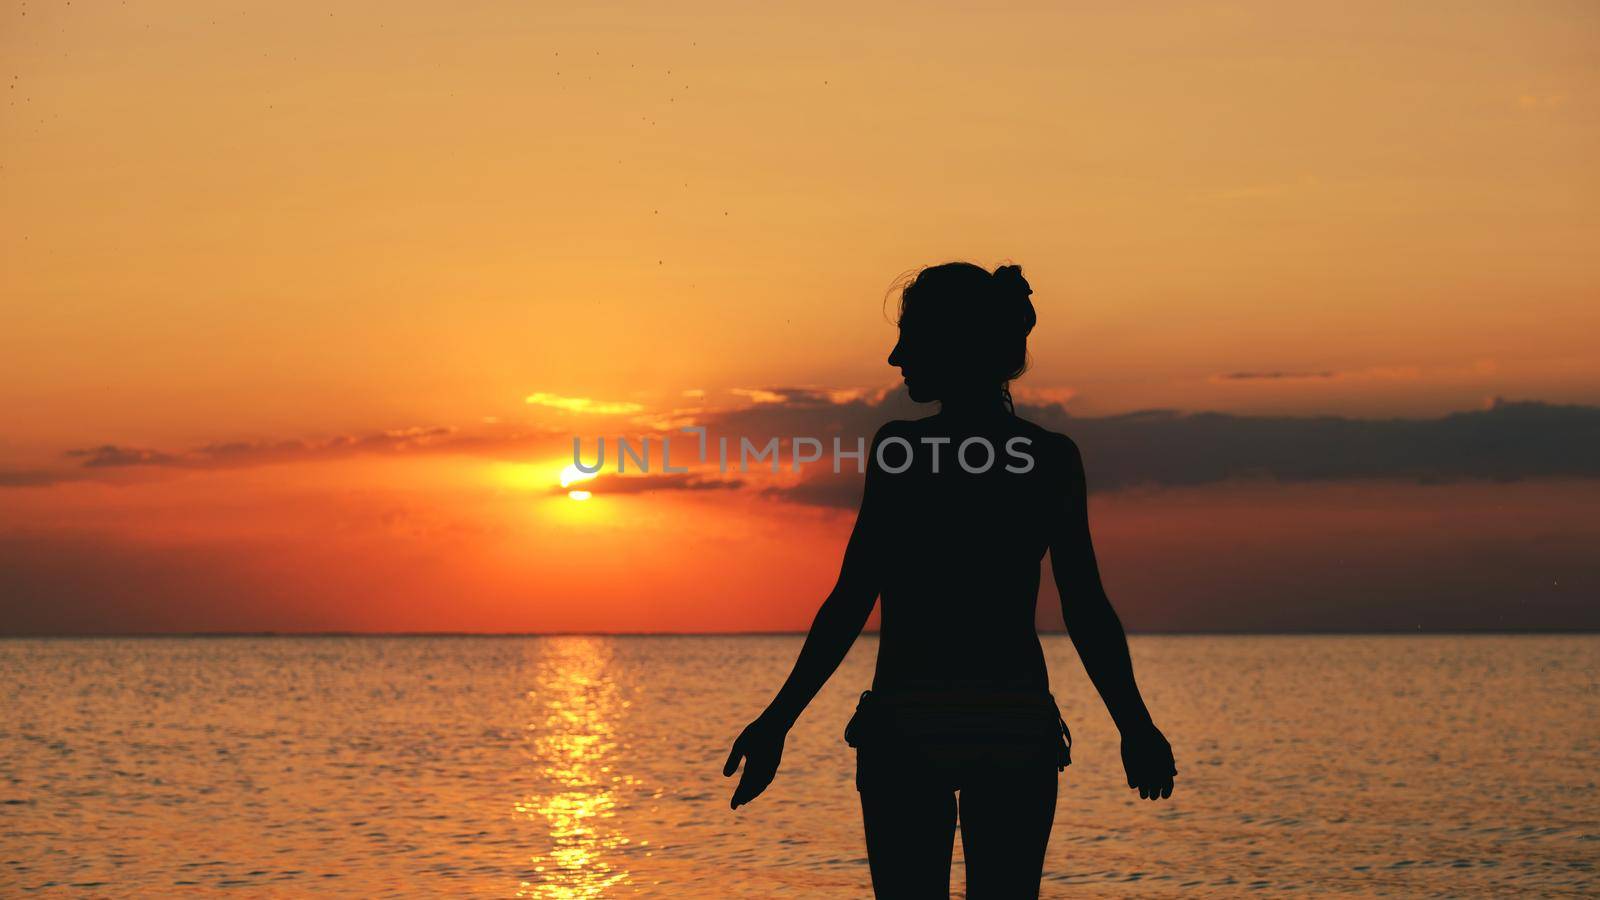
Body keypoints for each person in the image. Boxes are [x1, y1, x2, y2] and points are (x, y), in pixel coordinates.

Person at [722, 262, 1176, 898]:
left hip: (909, 724)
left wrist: (777, 721)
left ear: (952, 345)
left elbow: (853, 598)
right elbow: (1085, 607)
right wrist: (1134, 724)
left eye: (911, 338)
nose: (895, 356)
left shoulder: (900, 452)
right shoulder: (1048, 459)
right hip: (1012, 724)